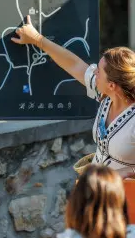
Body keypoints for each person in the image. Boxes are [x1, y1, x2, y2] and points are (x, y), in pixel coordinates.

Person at [13, 15, 135, 172]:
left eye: (98, 71)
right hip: (97, 191)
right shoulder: (106, 96)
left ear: (112, 85)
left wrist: (125, 172)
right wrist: (37, 39)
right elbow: (75, 64)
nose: (93, 72)